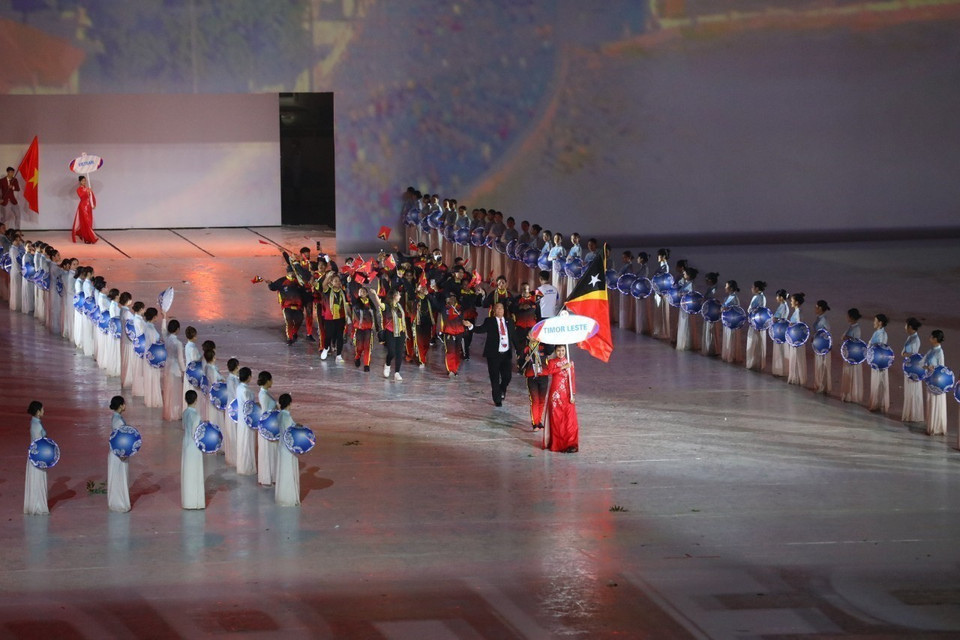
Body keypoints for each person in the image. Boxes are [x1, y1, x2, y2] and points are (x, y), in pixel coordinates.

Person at [466, 302, 517, 407]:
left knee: (507, 376)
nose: (499, 310)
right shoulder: (490, 321)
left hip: (506, 354)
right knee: (494, 377)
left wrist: (520, 351)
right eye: (497, 308)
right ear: (494, 311)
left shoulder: (510, 322)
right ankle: (497, 399)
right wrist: (471, 326)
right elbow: (480, 329)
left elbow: (514, 337)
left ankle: (502, 389)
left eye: (501, 308)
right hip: (494, 355)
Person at [542, 345, 578, 453]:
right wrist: (563, 367)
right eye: (559, 350)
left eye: (563, 350)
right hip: (556, 394)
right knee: (557, 419)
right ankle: (558, 444)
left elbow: (572, 379)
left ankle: (570, 443)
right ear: (555, 351)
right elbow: (549, 371)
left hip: (567, 393)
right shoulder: (552, 362)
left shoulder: (570, 363)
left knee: (569, 419)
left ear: (565, 351)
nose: (561, 353)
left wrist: (572, 394)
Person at [275, 393, 300, 507]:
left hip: (281, 447)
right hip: (288, 448)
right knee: (288, 472)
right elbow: (289, 431)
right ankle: (289, 498)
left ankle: (282, 496)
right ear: (289, 404)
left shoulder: (280, 415)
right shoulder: (286, 416)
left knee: (283, 471)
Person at [520, 337, 551, 430]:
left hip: (543, 376)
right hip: (531, 376)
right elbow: (520, 364)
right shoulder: (526, 349)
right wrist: (525, 359)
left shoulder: (543, 347)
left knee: (542, 400)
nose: (533, 337)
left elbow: (550, 350)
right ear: (528, 337)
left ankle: (539, 421)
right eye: (531, 335)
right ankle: (535, 423)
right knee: (535, 400)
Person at [267, 268, 305, 345]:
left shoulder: (299, 281)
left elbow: (304, 291)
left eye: (293, 272)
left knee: (300, 320)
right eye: (291, 272)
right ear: (288, 273)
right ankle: (290, 338)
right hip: (286, 306)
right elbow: (273, 287)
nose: (292, 274)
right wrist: (270, 284)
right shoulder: (282, 281)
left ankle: (294, 332)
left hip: (298, 306)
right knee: (289, 321)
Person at [180, 390, 205, 509]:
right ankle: (195, 502)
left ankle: (187, 500)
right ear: (196, 400)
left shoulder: (184, 413)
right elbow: (197, 433)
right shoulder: (196, 415)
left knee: (187, 471)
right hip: (194, 446)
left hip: (186, 444)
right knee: (195, 471)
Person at [107, 396, 131, 513]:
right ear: (120, 405)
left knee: (118, 476)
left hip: (115, 452)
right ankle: (119, 503)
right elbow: (121, 439)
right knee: (119, 477)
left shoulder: (115, 418)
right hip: (119, 454)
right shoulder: (119, 421)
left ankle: (117, 501)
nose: (125, 406)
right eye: (124, 404)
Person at [24, 400, 48, 515]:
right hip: (39, 456)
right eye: (42, 409)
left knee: (35, 479)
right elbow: (42, 441)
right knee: (38, 479)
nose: (44, 411)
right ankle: (39, 505)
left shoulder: (33, 422)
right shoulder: (38, 425)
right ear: (38, 412)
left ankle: (34, 503)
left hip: (33, 455)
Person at [319, 271, 350, 361]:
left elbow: (346, 305)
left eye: (339, 281)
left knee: (339, 336)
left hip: (341, 317)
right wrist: (327, 276)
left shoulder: (343, 292)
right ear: (331, 282)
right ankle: (326, 348)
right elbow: (323, 285)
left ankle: (339, 355)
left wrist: (349, 317)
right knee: (329, 335)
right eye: (335, 281)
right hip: (330, 317)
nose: (338, 283)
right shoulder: (328, 290)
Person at [923, 330, 946, 436]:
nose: (929, 338)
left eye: (931, 337)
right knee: (930, 401)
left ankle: (936, 427)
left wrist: (931, 368)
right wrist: (927, 367)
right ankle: (930, 425)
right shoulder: (931, 350)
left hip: (936, 381)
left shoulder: (939, 352)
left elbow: (941, 368)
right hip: (929, 379)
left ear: (935, 339)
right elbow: (923, 363)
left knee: (935, 401)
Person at [162, 317, 186, 421]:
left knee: (169, 389)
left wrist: (164, 318)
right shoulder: (178, 343)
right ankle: (176, 413)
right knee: (176, 391)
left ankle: (169, 412)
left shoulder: (166, 339)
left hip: (167, 366)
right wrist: (184, 371)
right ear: (177, 329)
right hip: (175, 368)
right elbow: (180, 360)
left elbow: (163, 331)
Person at [381, 290, 407, 381]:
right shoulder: (387, 306)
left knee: (399, 353)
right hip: (390, 332)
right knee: (391, 352)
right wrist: (375, 296)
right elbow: (381, 306)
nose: (400, 296)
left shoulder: (400, 306)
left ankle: (397, 372)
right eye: (398, 295)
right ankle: (387, 364)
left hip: (401, 332)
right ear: (394, 296)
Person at [901, 317, 924, 424]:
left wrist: (905, 354)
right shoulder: (910, 337)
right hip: (909, 366)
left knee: (913, 390)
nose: (905, 328)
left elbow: (914, 355)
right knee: (909, 390)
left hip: (913, 368)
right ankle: (910, 413)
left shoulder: (915, 339)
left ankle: (914, 414)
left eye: (906, 325)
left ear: (910, 327)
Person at [235, 367, 257, 475]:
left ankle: (243, 465)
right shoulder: (246, 390)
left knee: (243, 441)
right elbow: (250, 406)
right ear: (249, 377)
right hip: (248, 419)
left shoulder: (239, 388)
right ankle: (247, 467)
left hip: (241, 419)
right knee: (247, 442)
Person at [438, 293, 467, 377]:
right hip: (448, 333)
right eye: (450, 298)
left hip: (459, 332)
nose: (452, 299)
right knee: (450, 352)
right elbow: (435, 303)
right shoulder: (444, 308)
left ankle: (455, 369)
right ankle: (450, 370)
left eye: (454, 297)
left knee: (457, 352)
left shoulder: (460, 308)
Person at [257, 371, 278, 487]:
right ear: (268, 381)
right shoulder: (264, 395)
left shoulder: (264, 393)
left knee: (270, 452)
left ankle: (270, 475)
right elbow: (265, 413)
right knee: (268, 452)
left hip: (270, 426)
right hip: (268, 427)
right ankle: (268, 476)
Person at [868, 314, 890, 413]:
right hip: (879, 361)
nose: (873, 323)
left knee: (877, 382)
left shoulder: (880, 334)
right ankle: (879, 403)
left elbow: (879, 347)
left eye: (875, 321)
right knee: (879, 382)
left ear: (880, 323)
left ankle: (877, 404)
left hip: (878, 362)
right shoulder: (880, 333)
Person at [142, 308, 164, 408]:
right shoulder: (150, 329)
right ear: (154, 317)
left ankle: (151, 399)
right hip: (153, 355)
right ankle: (153, 400)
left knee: (151, 377)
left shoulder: (147, 326)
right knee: (153, 377)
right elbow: (154, 343)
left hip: (148, 353)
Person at [840, 309, 863, 403]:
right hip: (848, 354)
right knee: (848, 373)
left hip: (853, 355)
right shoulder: (851, 327)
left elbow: (856, 341)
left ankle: (851, 394)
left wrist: (847, 338)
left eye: (848, 316)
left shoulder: (856, 329)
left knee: (851, 373)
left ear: (851, 317)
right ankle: (847, 393)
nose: (847, 317)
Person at [745, 281, 767, 370]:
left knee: (755, 342)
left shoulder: (759, 297)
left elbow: (758, 310)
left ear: (757, 288)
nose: (751, 288)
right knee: (754, 341)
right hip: (755, 321)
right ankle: (753, 362)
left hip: (757, 322)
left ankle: (754, 363)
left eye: (753, 287)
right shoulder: (759, 297)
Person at [811, 300, 832, 394]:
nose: (815, 309)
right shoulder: (819, 318)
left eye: (816, 307)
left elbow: (827, 334)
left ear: (820, 308)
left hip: (823, 346)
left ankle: (822, 386)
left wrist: (828, 345)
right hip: (818, 345)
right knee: (818, 365)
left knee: (822, 366)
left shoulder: (823, 320)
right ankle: (818, 384)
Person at [786, 293, 807, 386]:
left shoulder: (798, 312)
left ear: (797, 302)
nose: (791, 302)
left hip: (797, 339)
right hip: (794, 339)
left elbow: (800, 325)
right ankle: (795, 377)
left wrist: (792, 325)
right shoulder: (796, 311)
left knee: (797, 358)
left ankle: (798, 378)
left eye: (792, 300)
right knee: (794, 357)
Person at [675, 267, 697, 352]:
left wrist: (682, 294)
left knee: (686, 323)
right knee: (683, 322)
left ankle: (687, 342)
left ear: (689, 275)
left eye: (685, 273)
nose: (683, 274)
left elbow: (691, 295)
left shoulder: (691, 284)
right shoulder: (686, 283)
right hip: (683, 306)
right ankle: (682, 342)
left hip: (688, 307)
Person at [223, 358, 240, 467]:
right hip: (234, 408)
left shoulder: (231, 379)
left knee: (233, 431)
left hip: (231, 406)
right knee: (233, 432)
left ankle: (233, 456)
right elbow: (235, 395)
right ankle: (234, 457)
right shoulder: (233, 380)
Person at [71, 175, 98, 244]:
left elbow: (91, 197)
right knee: (85, 222)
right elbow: (81, 196)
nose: (84, 182)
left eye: (85, 180)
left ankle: (84, 235)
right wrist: (87, 191)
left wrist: (93, 204)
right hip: (83, 207)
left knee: (89, 221)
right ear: (80, 181)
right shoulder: (79, 189)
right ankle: (87, 238)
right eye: (83, 180)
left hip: (88, 206)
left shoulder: (87, 188)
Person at [721, 280, 742, 363]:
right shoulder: (728, 297)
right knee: (728, 337)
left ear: (731, 288)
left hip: (732, 321)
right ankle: (728, 354)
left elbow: (737, 310)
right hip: (727, 320)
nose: (725, 288)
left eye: (726, 286)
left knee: (731, 338)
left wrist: (727, 309)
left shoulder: (734, 298)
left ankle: (731, 355)